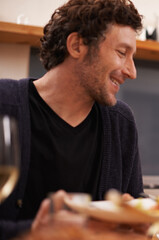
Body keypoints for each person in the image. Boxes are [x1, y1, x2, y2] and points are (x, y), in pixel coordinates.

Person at [0, 0, 143, 238]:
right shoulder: (4, 104)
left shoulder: (121, 122)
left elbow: (137, 202)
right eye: (121, 53)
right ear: (77, 45)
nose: (132, 71)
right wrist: (33, 234)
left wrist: (135, 221)